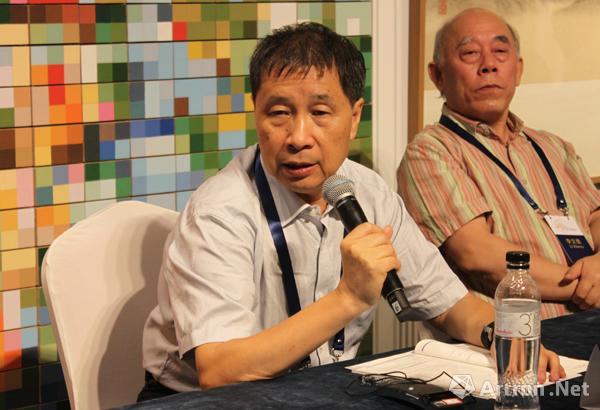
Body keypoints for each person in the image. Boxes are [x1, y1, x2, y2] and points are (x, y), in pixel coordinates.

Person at [138, 22, 563, 400]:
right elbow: (220, 369)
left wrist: (502, 337)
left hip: (316, 389)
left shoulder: (367, 192)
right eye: (279, 113)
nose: (298, 137)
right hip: (198, 400)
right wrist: (349, 297)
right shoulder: (221, 211)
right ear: (256, 113)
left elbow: (450, 305)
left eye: (320, 113)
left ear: (354, 116)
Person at [398, 8, 600, 321]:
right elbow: (477, 256)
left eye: (500, 52)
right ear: (437, 75)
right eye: (470, 53)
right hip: (515, 336)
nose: (489, 65)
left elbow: (596, 218)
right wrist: (585, 285)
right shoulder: (430, 152)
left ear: (518, 70)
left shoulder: (554, 147)